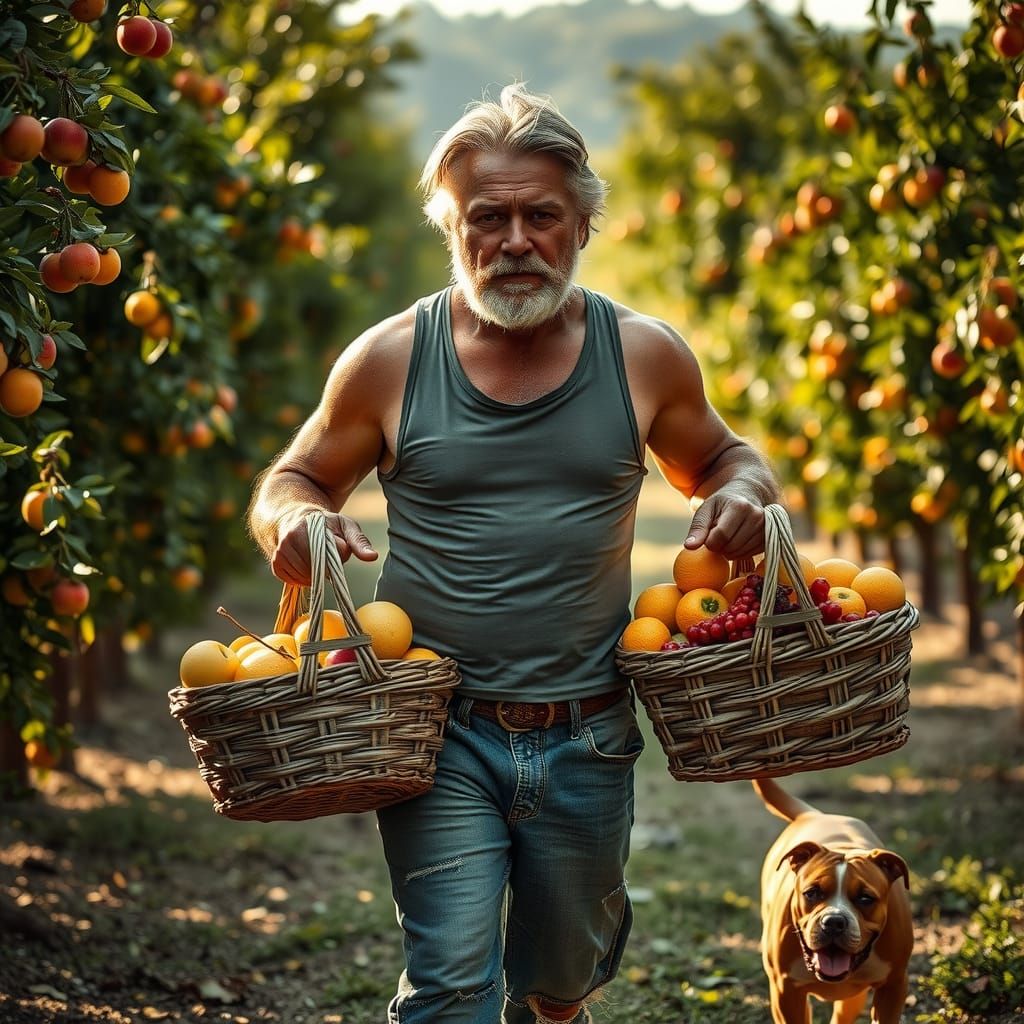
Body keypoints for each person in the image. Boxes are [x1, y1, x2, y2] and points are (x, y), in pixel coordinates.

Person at [247, 83, 779, 1024]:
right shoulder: (390, 360)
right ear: (452, 228)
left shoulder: (645, 355)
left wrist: (741, 492)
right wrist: (292, 519)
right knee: (451, 982)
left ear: (583, 226)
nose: (515, 241)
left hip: (590, 728)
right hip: (434, 725)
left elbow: (728, 460)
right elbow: (292, 479)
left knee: (562, 975)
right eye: (486, 218)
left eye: (542, 216)